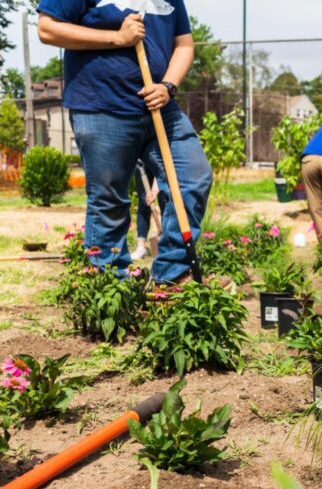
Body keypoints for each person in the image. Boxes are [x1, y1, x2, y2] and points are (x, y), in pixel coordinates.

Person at [37, 0, 212, 283]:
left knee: (192, 177)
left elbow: (184, 44)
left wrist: (168, 85)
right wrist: (117, 38)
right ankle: (111, 287)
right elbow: (48, 29)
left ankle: (173, 275)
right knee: (110, 200)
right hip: (102, 104)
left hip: (160, 105)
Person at [131, 160, 159, 261]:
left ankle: (169, 243)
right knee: (144, 201)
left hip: (162, 158)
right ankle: (142, 246)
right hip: (142, 160)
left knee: (167, 200)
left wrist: (155, 188)